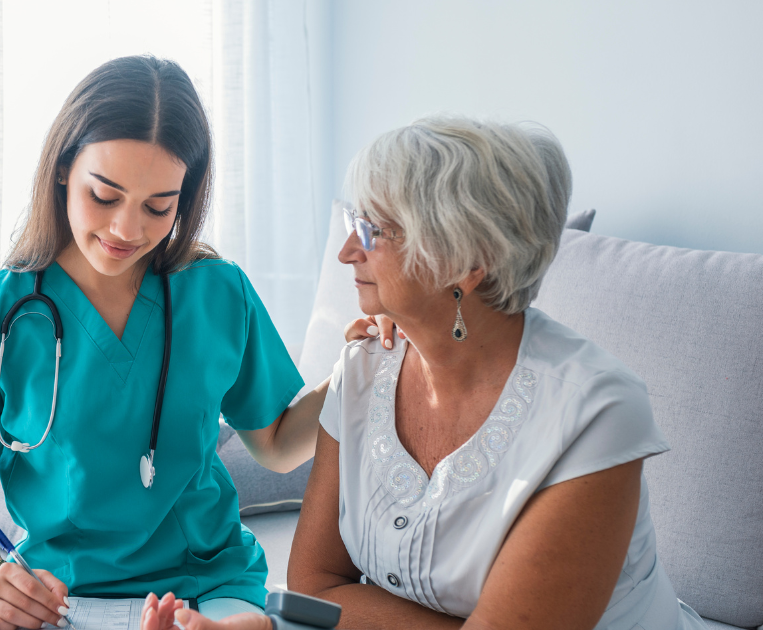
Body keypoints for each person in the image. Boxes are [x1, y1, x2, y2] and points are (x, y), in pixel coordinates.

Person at [141, 117, 707, 630]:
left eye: (372, 231)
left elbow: (332, 609)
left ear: (466, 259)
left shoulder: (596, 412)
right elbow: (315, 587)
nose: (345, 252)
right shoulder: (363, 370)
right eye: (351, 223)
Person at [0, 55, 332, 630]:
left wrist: (360, 369)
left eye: (159, 207)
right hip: (58, 594)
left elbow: (278, 446)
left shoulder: (216, 293)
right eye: (104, 196)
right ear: (62, 169)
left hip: (207, 583)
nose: (126, 231)